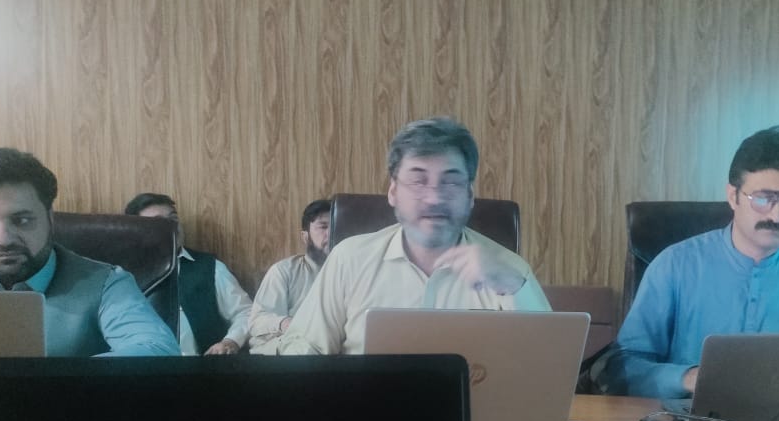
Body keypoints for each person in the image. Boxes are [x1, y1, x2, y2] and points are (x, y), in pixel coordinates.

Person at [610, 125, 779, 403]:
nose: (778, 216)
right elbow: (624, 368)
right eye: (763, 198)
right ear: (733, 196)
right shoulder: (674, 266)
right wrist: (690, 378)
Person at [279, 116, 551, 355]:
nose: (434, 198)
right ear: (393, 192)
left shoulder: (509, 271)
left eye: (451, 181)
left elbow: (551, 369)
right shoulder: (349, 259)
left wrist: (513, 286)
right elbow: (305, 348)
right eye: (418, 180)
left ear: (469, 195)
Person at [0, 148, 180, 357]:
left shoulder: (106, 284)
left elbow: (158, 350)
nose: (4, 239)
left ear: (50, 219)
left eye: (22, 220)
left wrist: (48, 380)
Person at [125, 193, 253, 356]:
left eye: (173, 219)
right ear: (136, 232)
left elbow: (246, 312)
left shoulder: (209, 267)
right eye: (159, 223)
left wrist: (231, 341)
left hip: (202, 366)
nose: (171, 227)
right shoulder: (122, 275)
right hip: (140, 366)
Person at [247, 199, 332, 355]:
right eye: (323, 227)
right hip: (290, 344)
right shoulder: (283, 271)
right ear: (305, 237)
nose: (331, 233)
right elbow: (257, 321)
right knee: (305, 349)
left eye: (335, 226)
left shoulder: (353, 272)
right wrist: (287, 323)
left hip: (332, 345)